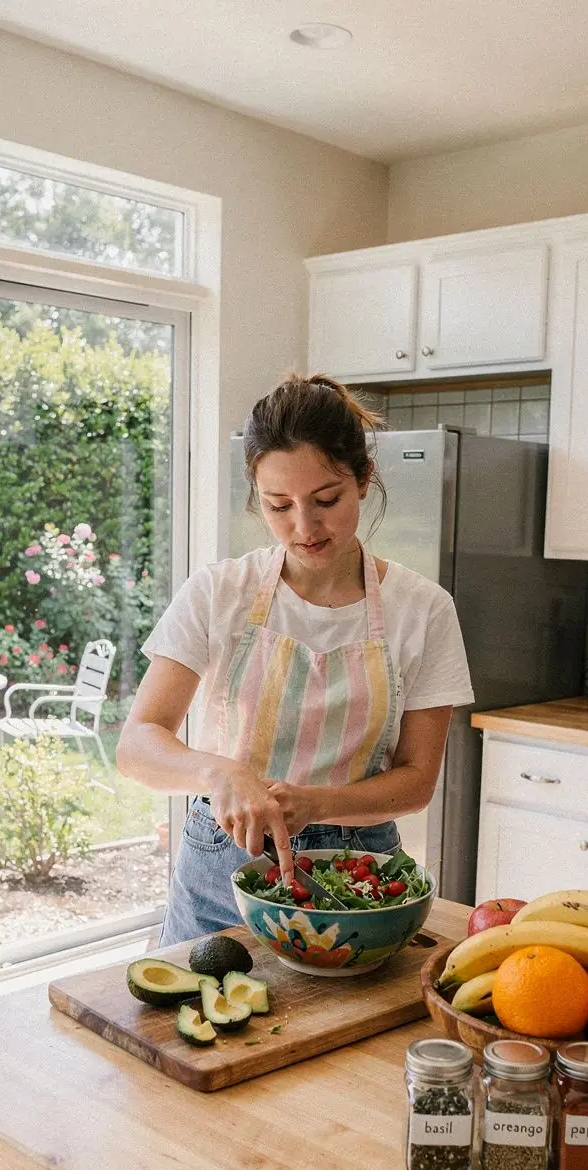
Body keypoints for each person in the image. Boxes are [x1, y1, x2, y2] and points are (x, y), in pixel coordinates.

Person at [117, 373, 474, 945]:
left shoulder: (424, 610)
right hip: (219, 873)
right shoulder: (218, 592)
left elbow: (416, 782)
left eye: (325, 500)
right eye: (278, 505)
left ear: (363, 479)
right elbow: (137, 744)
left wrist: (317, 803)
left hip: (357, 881)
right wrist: (219, 771)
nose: (303, 528)